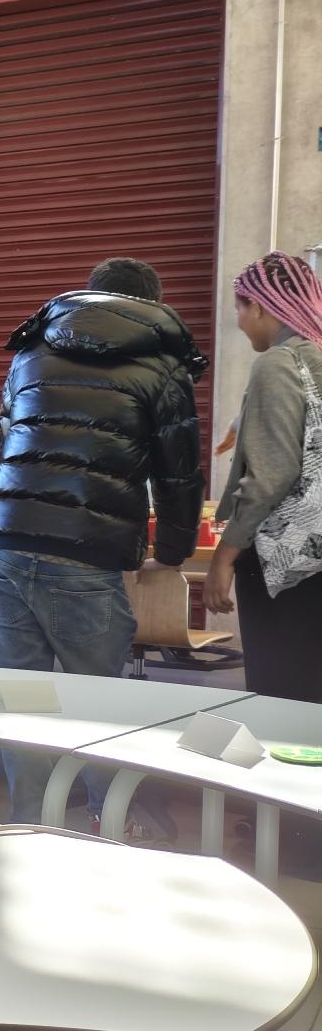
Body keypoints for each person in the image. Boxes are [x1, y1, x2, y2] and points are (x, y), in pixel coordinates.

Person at [0, 258, 205, 822]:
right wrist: (172, 553)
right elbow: (179, 473)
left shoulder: (33, 349)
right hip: (84, 550)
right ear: (150, 306)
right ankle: (117, 825)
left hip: (4, 541)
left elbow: (11, 434)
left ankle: (28, 825)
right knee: (100, 699)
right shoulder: (162, 366)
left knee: (19, 698)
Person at [205, 251, 322, 703]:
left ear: (259, 305)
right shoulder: (312, 358)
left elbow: (271, 476)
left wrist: (224, 558)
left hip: (287, 560)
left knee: (280, 695)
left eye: (239, 308)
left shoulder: (277, 363)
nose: (238, 321)